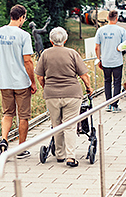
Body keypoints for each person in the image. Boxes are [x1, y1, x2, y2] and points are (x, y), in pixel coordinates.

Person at [35, 27, 93, 167]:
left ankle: (60, 155)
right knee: (70, 126)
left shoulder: (45, 54)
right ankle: (70, 157)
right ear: (65, 40)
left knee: (56, 124)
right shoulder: (72, 53)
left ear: (50, 40)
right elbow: (84, 75)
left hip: (52, 95)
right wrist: (88, 88)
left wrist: (46, 87)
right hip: (72, 94)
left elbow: (39, 76)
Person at [0, 4, 37, 159]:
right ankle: (21, 149)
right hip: (21, 82)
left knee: (7, 113)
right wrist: (33, 81)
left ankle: (4, 140)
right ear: (22, 17)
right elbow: (28, 61)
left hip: (4, 81)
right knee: (23, 116)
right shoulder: (24, 35)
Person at [95, 10, 126, 112]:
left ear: (108, 18)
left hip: (105, 60)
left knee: (107, 81)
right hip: (117, 60)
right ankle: (114, 105)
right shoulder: (121, 30)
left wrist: (99, 59)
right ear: (116, 18)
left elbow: (97, 47)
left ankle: (108, 104)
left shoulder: (100, 30)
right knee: (117, 82)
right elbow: (125, 46)